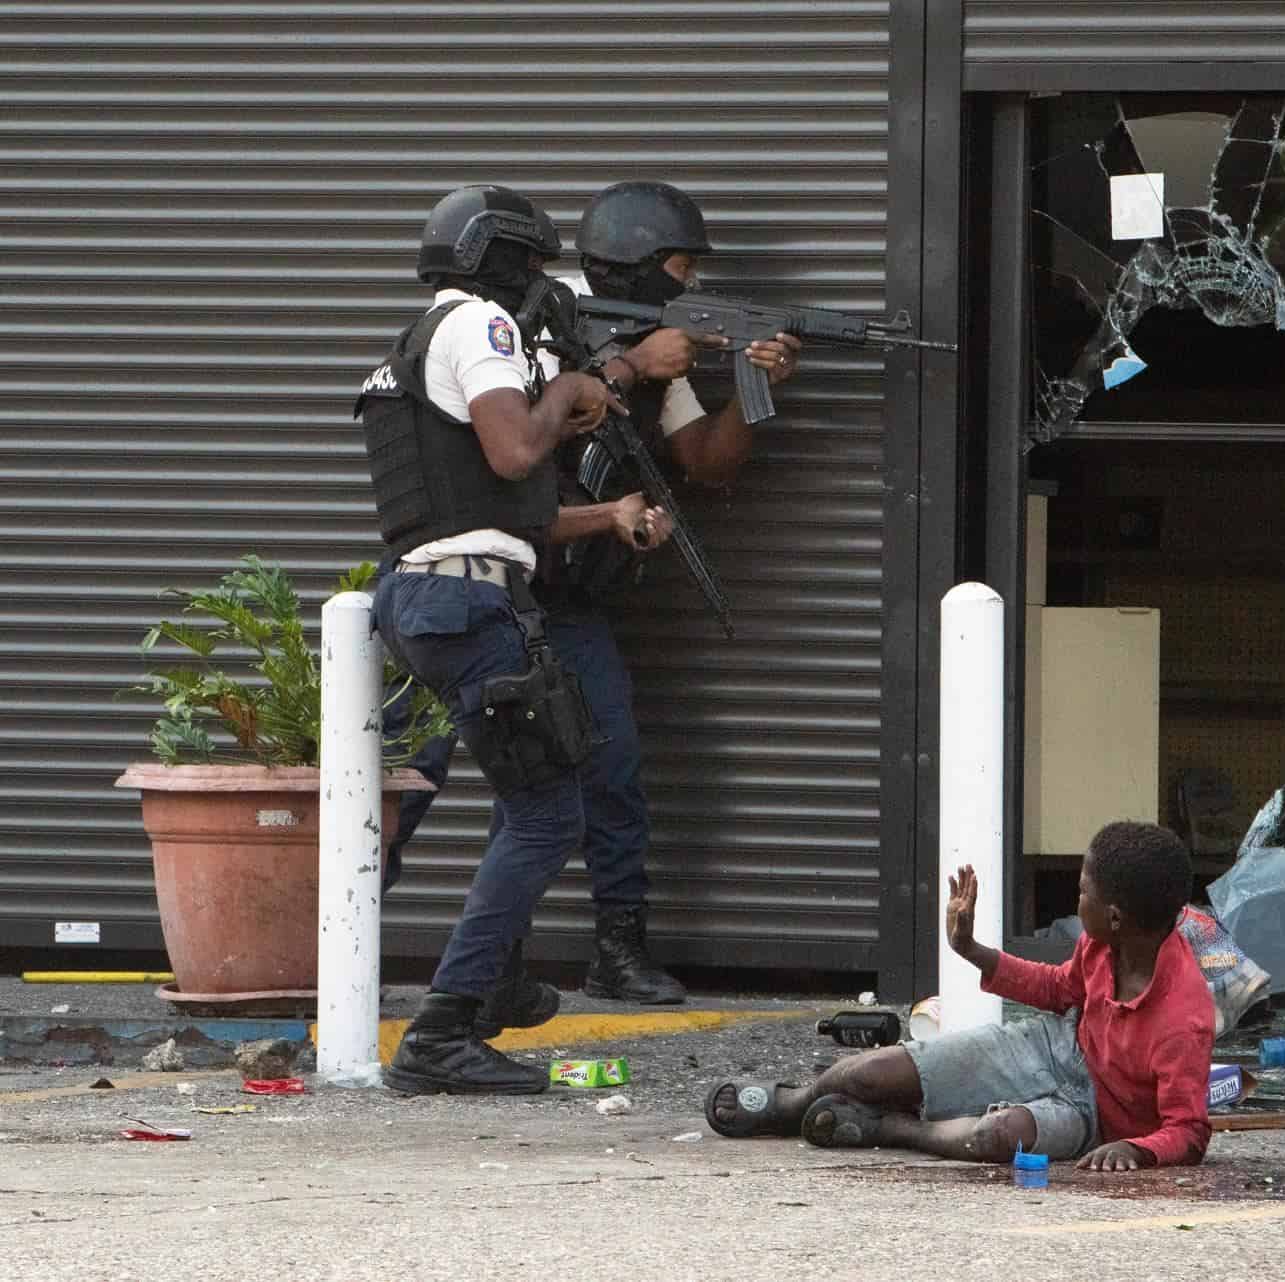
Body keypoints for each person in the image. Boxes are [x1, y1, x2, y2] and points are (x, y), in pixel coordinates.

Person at [381, 179, 803, 1007]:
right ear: (636, 262)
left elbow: (704, 461)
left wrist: (759, 390)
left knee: (605, 764)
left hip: (560, 599)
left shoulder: (655, 333)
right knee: (404, 777)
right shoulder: (520, 315)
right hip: (466, 586)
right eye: (678, 267)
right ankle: (328, 943)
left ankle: (612, 950)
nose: (688, 286)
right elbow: (504, 434)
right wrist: (630, 363)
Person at [355, 183, 666, 1095]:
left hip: (434, 596)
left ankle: (487, 988)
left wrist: (606, 515)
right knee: (547, 813)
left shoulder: (414, 346)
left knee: (531, 794)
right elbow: (517, 456)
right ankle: (445, 1029)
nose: (541, 287)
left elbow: (497, 513)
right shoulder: (479, 326)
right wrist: (574, 384)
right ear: (500, 262)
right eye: (532, 265)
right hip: (463, 608)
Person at [703, 822, 1216, 1170]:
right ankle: (792, 1105)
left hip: (1092, 1119)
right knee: (869, 1073)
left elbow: (1188, 1132)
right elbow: (1057, 989)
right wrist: (970, 949)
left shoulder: (1182, 1018)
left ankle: (889, 1128)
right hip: (1057, 1048)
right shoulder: (1101, 944)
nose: (1076, 898)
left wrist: (1135, 1149)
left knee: (995, 1137)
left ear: (1117, 917)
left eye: (1083, 892)